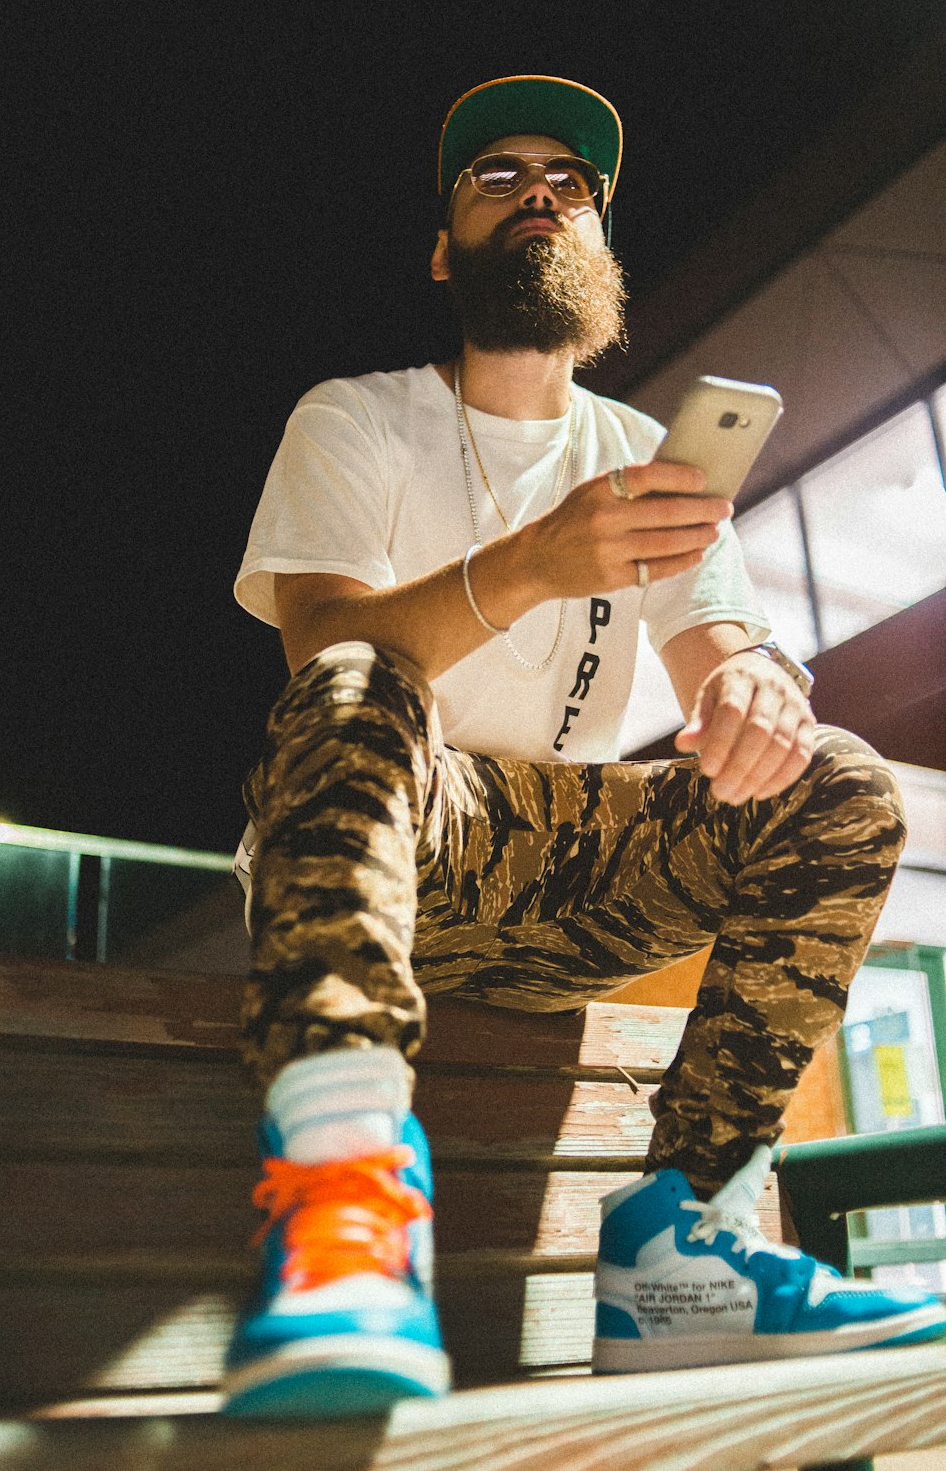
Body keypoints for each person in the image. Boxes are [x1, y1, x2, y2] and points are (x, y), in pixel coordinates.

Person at [221, 76, 946, 1416]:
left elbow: (720, 649)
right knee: (356, 680)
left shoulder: (647, 458)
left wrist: (757, 687)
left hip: (576, 881)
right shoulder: (356, 419)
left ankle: (686, 1259)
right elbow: (317, 652)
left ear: (599, 246)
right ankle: (344, 1219)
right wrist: (532, 566)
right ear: (446, 252)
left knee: (839, 780)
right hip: (385, 853)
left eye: (572, 182)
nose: (542, 193)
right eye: (498, 177)